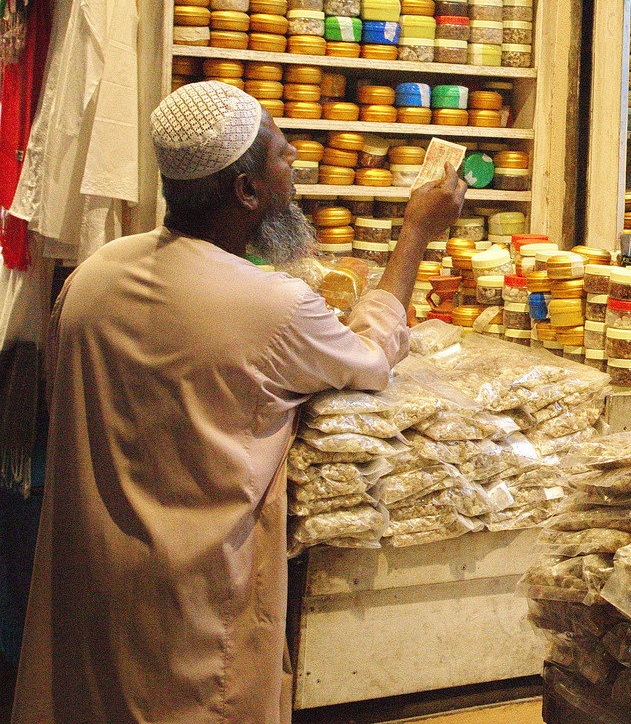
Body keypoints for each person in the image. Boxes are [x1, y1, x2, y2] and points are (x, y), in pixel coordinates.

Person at [12, 81, 468, 724]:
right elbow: (371, 358)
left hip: (95, 601)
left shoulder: (94, 277)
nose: (296, 171)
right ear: (247, 190)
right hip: (196, 622)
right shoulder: (273, 307)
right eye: (283, 157)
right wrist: (418, 231)